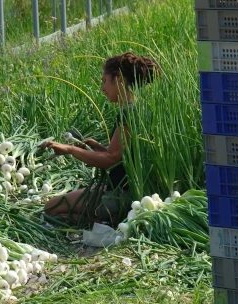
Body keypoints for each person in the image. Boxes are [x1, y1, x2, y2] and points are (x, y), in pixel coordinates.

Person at [40, 51, 160, 223]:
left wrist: (70, 149)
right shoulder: (141, 110)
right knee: (63, 204)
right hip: (130, 190)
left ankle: (109, 220)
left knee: (51, 207)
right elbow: (122, 159)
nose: (103, 89)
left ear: (119, 79)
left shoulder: (129, 113)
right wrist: (98, 148)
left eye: (105, 81)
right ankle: (104, 219)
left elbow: (110, 160)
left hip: (121, 195)